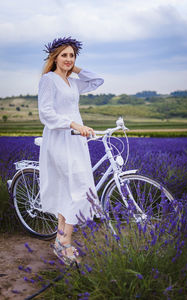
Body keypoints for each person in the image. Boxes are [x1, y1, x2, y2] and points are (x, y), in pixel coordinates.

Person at [38, 37, 104, 264]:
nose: (68, 59)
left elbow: (97, 80)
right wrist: (74, 124)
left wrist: (73, 69)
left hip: (76, 141)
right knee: (78, 187)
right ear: (54, 57)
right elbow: (45, 114)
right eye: (64, 55)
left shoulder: (73, 82)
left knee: (72, 188)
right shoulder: (49, 80)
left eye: (72, 55)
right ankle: (65, 243)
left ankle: (59, 239)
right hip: (59, 139)